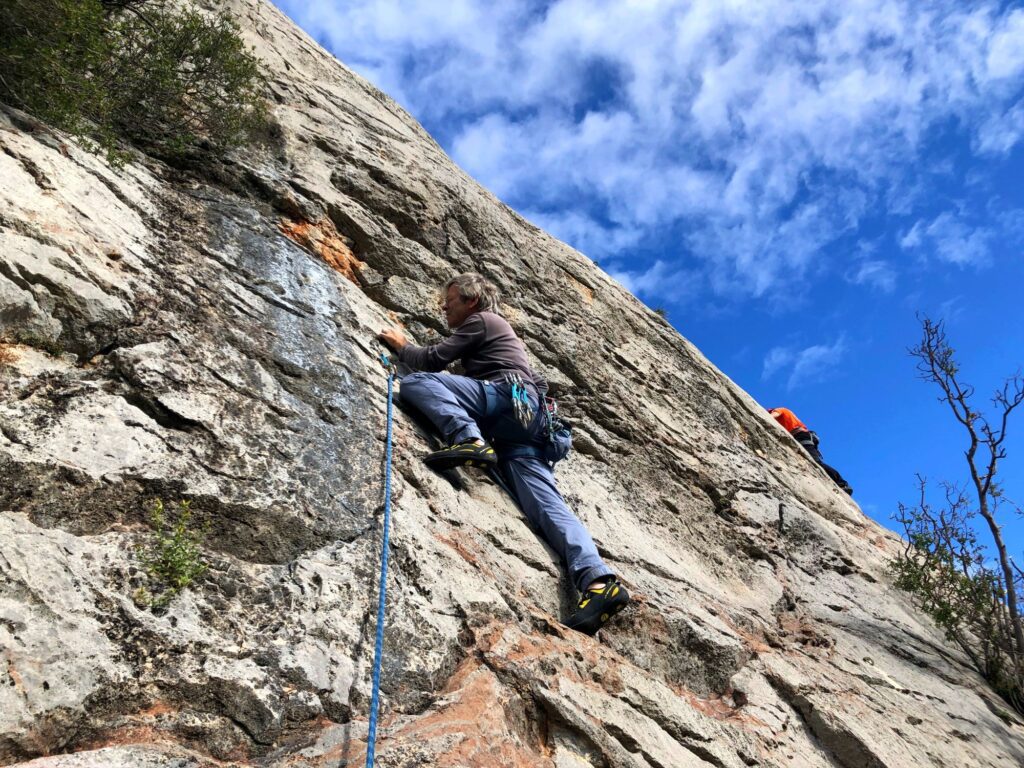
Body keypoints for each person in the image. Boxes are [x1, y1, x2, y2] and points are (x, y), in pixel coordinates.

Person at [378, 273, 629, 635]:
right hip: (527, 426)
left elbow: (432, 361)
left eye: (450, 299)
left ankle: (468, 439)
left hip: (504, 403)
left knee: (417, 383)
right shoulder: (508, 343)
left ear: (472, 301)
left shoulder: (482, 321)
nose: (443, 306)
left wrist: (402, 346)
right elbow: (536, 384)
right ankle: (599, 583)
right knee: (548, 507)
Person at [768, 407, 853, 495]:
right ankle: (835, 484)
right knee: (812, 463)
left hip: (800, 435)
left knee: (816, 462)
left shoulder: (778, 410)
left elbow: (772, 416)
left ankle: (842, 484)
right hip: (803, 435)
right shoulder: (786, 412)